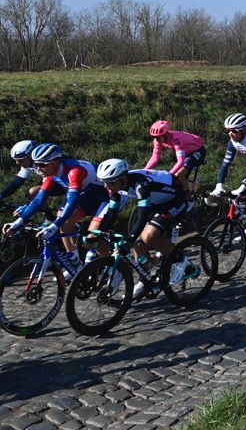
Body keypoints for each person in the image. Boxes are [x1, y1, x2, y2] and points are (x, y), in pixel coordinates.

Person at [90, 158, 196, 298]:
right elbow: (111, 214)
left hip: (175, 200)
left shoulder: (140, 184)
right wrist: (98, 233)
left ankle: (181, 259)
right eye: (104, 182)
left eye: (109, 183)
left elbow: (142, 214)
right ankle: (144, 280)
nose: (106, 186)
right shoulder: (117, 186)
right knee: (136, 241)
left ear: (122, 179)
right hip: (157, 203)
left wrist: (129, 239)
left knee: (148, 236)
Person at [2, 143, 107, 273]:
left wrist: (53, 226)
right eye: (37, 164)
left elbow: (73, 202)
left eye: (42, 165)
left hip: (108, 195)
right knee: (64, 221)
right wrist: (17, 222)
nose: (38, 168)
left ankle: (113, 268)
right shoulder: (50, 173)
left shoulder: (75, 171)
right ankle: (75, 262)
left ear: (55, 162)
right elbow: (39, 200)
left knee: (92, 236)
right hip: (88, 194)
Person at [144, 120, 206, 186]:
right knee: (176, 181)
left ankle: (186, 195)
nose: (156, 140)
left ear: (166, 135)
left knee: (178, 175)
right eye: (154, 137)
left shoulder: (176, 139)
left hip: (198, 150)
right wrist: (143, 171)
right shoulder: (157, 140)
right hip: (187, 153)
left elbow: (180, 161)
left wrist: (168, 175)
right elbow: (155, 158)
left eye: (158, 137)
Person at [0, 140, 42, 205]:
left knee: (33, 192)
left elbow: (50, 183)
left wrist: (27, 205)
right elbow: (16, 183)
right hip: (55, 182)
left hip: (61, 183)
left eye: (20, 160)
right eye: (16, 160)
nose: (17, 163)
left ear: (30, 156)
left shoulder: (45, 162)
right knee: (33, 194)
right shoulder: (30, 163)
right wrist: (1, 195)